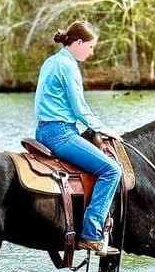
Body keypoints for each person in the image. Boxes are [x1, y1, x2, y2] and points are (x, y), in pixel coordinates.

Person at [34, 21, 123, 257]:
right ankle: (92, 234)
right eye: (91, 47)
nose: (92, 52)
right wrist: (103, 129)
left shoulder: (50, 62)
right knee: (112, 170)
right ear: (79, 43)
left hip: (42, 130)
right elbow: (79, 108)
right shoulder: (68, 66)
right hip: (61, 133)